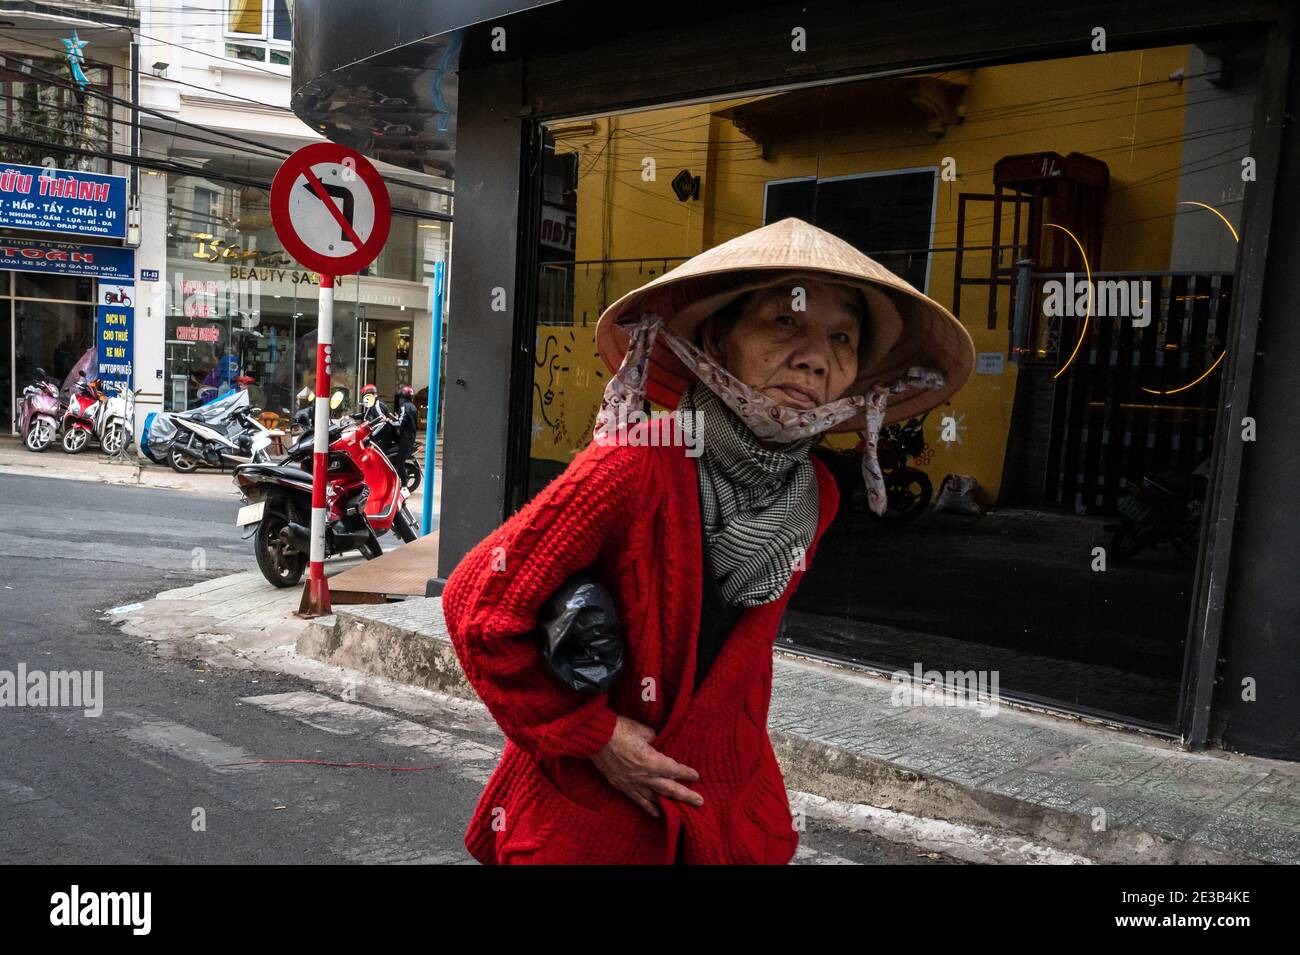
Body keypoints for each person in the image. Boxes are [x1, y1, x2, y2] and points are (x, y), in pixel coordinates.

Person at [441, 217, 975, 865]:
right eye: (785, 321)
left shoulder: (815, 494)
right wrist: (596, 735)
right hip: (593, 822)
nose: (815, 355)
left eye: (842, 337)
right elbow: (478, 604)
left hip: (722, 815)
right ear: (717, 338)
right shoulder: (635, 464)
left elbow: (735, 666)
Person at [394, 384, 420, 459]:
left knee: (400, 462)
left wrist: (388, 421)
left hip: (405, 438)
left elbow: (400, 423)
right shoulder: (413, 407)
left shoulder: (404, 406)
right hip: (411, 437)